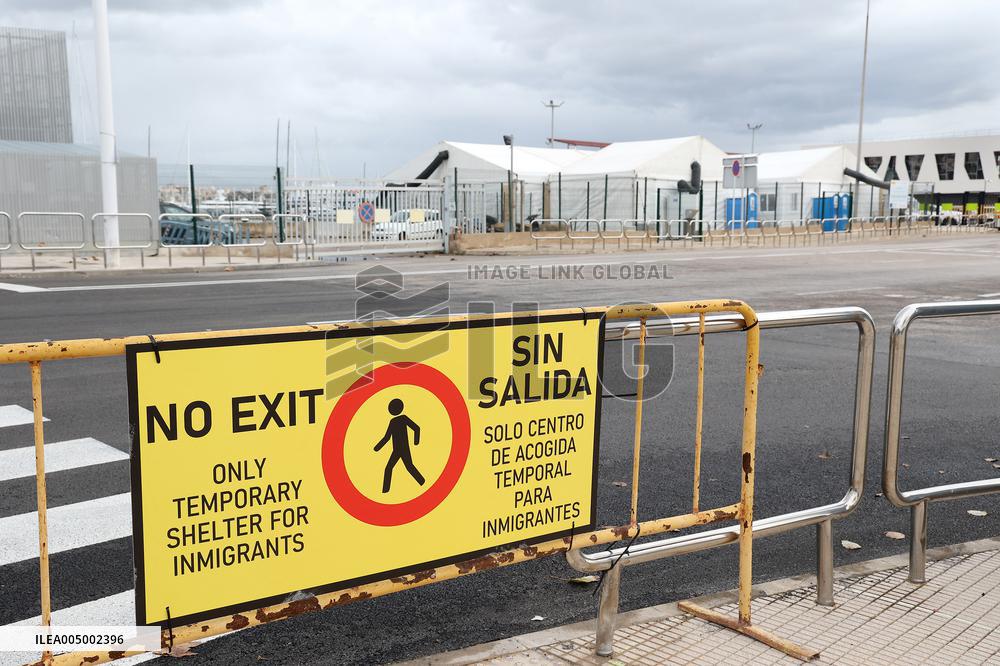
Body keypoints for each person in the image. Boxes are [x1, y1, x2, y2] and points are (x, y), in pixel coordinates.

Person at [373, 398, 425, 493]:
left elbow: (416, 428)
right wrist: (377, 447)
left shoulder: (403, 418)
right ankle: (385, 491)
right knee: (389, 468)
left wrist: (416, 442)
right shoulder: (392, 421)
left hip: (404, 449)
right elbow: (387, 437)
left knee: (409, 467)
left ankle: (422, 482)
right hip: (396, 450)